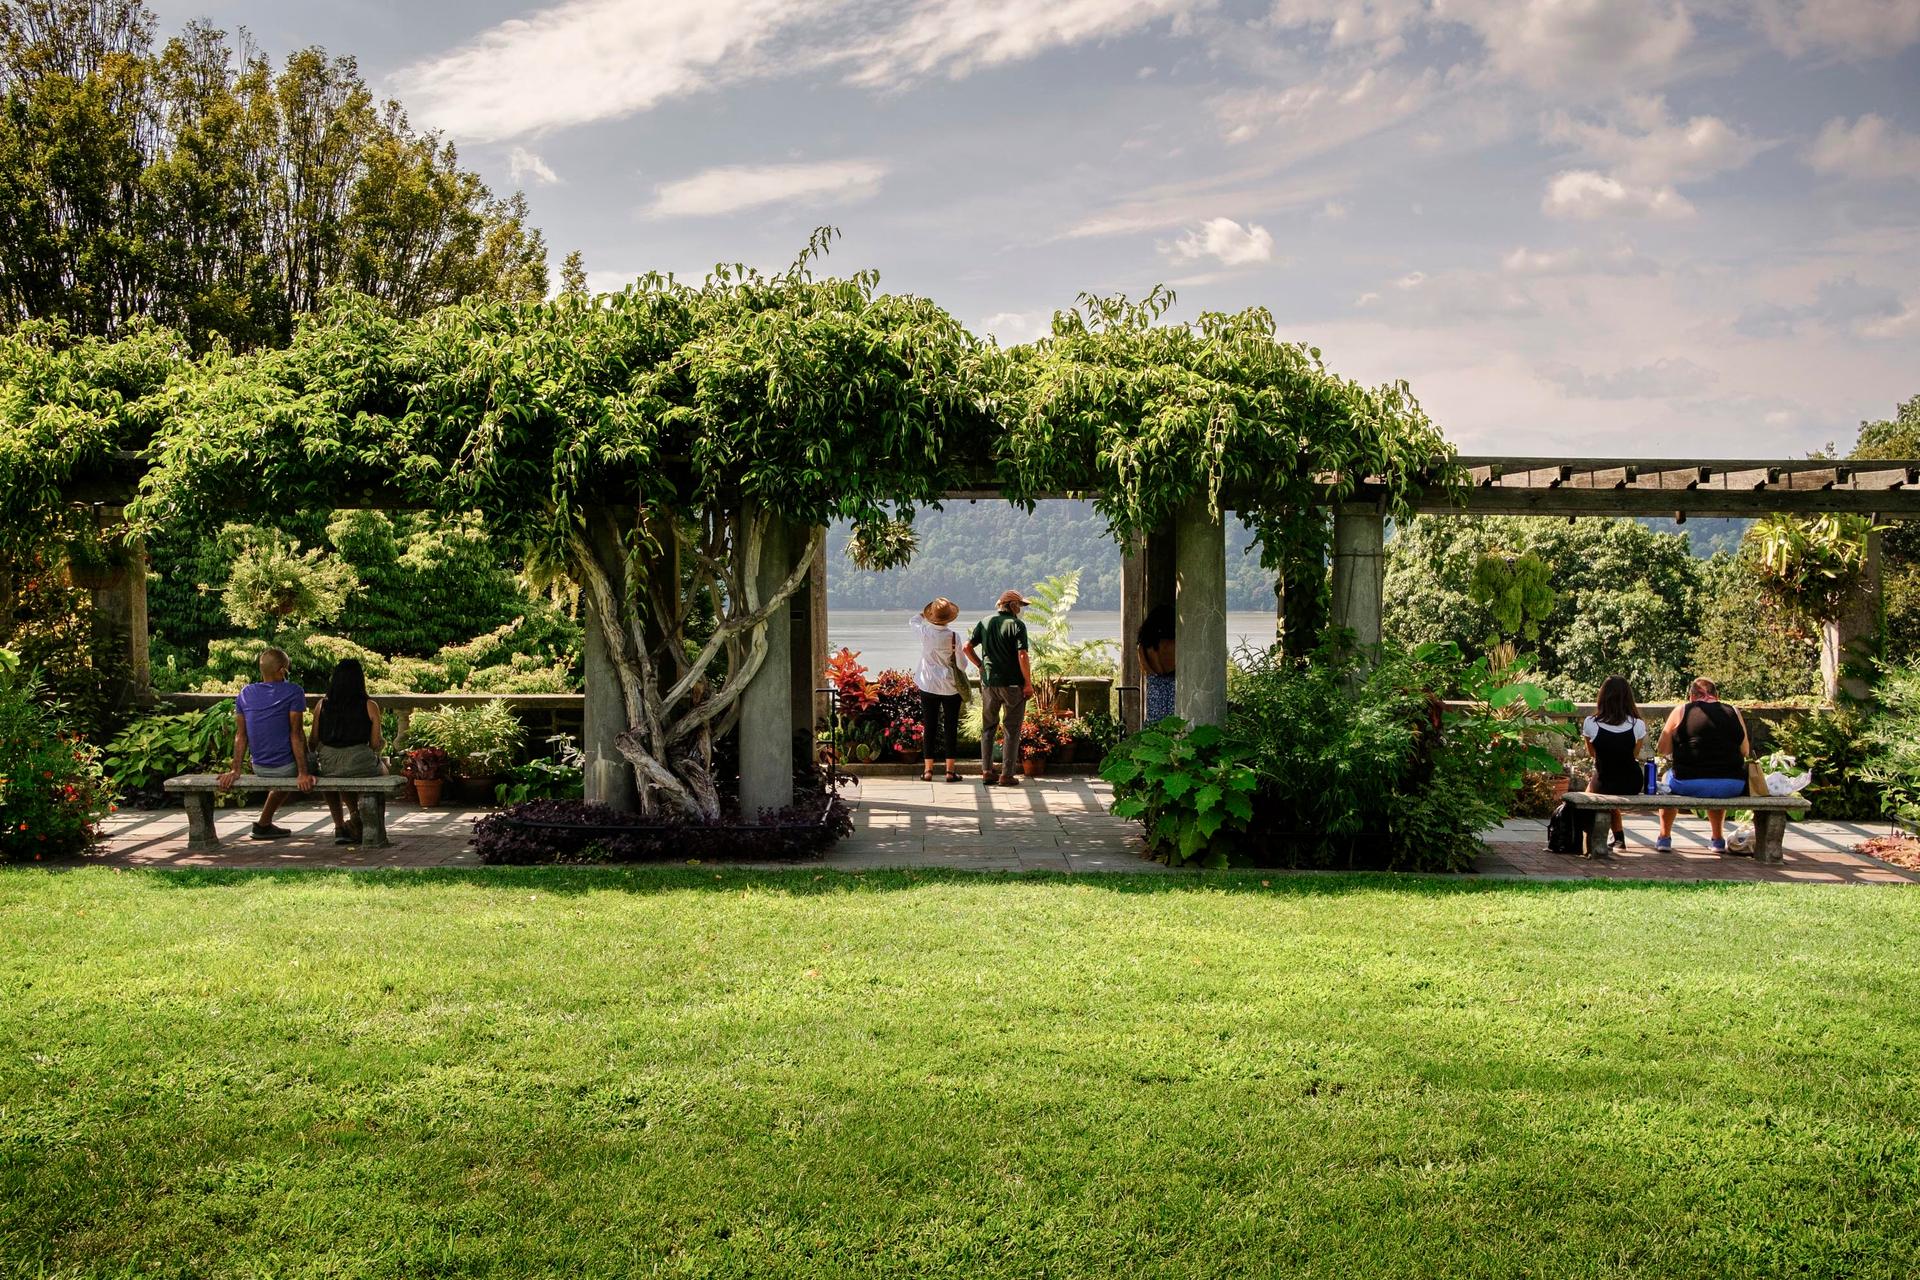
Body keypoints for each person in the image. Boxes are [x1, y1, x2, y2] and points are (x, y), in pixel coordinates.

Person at [217, 646, 313, 839]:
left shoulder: (245, 693)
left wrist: (235, 770)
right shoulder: (294, 691)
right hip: (287, 768)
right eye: (287, 668)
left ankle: (263, 824)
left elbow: (240, 735)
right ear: (282, 671)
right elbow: (297, 735)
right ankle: (344, 824)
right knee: (320, 764)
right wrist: (303, 772)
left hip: (259, 767)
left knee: (284, 776)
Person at [1655, 676, 1751, 854]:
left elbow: (1662, 749)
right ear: (1717, 695)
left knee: (1667, 780)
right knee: (1716, 778)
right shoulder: (1734, 712)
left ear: (1691, 697)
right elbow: (1745, 750)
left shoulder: (1681, 711)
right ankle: (1717, 840)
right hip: (1731, 784)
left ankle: (1664, 837)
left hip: (1688, 783)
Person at [308, 658, 385, 845]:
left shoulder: (322, 705)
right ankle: (372, 825)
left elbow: (313, 740)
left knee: (334, 778)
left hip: (328, 762)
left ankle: (340, 825)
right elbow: (375, 743)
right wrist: (380, 744)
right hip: (359, 759)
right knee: (383, 773)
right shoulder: (369, 705)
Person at [964, 589, 1033, 787]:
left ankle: (986, 771)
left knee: (988, 727)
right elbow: (1022, 655)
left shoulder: (985, 622)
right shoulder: (1017, 625)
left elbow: (966, 647)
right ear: (1012, 606)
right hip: (1012, 685)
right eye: (1019, 605)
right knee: (1012, 729)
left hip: (989, 684)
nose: (1020, 609)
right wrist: (1027, 683)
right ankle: (1006, 775)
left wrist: (979, 666)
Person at [1582, 675, 1647, 853]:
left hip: (1605, 780)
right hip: (1632, 782)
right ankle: (1618, 838)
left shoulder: (1591, 724)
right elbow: (1634, 754)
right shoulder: (1638, 725)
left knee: (1590, 794)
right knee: (1609, 787)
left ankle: (1589, 841)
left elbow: (1592, 753)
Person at [910, 598, 967, 783]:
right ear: (949, 618)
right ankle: (950, 772)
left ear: (932, 616)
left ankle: (928, 771)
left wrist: (923, 613)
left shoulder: (925, 632)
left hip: (928, 686)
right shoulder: (953, 637)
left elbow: (913, 621)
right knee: (950, 727)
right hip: (950, 687)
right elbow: (962, 665)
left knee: (930, 727)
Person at [1137, 604, 1176, 724]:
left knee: (1154, 728)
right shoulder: (1174, 645)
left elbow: (1145, 669)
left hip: (1154, 691)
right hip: (1174, 690)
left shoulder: (1142, 647)